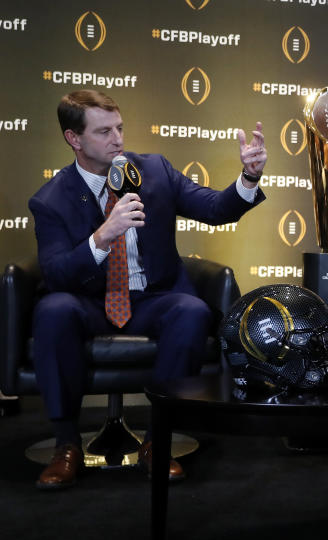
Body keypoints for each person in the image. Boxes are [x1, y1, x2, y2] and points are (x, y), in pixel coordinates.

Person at [28, 90, 268, 489]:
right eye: (104, 132)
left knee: (191, 311)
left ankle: (159, 441)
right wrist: (102, 237)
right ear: (74, 139)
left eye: (119, 128)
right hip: (89, 300)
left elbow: (214, 208)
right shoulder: (51, 200)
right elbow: (55, 274)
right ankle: (66, 444)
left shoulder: (153, 171)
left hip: (150, 297)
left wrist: (248, 177)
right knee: (53, 310)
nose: (118, 139)